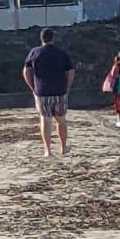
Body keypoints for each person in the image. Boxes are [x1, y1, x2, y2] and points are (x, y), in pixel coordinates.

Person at [22, 28, 75, 157]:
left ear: (41, 39)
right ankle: (63, 147)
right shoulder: (61, 53)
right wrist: (67, 87)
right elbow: (71, 71)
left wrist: (32, 87)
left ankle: (48, 150)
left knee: (45, 120)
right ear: (53, 38)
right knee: (61, 119)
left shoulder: (35, 52)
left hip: (42, 90)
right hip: (60, 90)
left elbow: (26, 70)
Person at [104, 53, 120, 130]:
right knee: (118, 102)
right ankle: (119, 119)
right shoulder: (116, 65)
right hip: (118, 86)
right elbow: (113, 75)